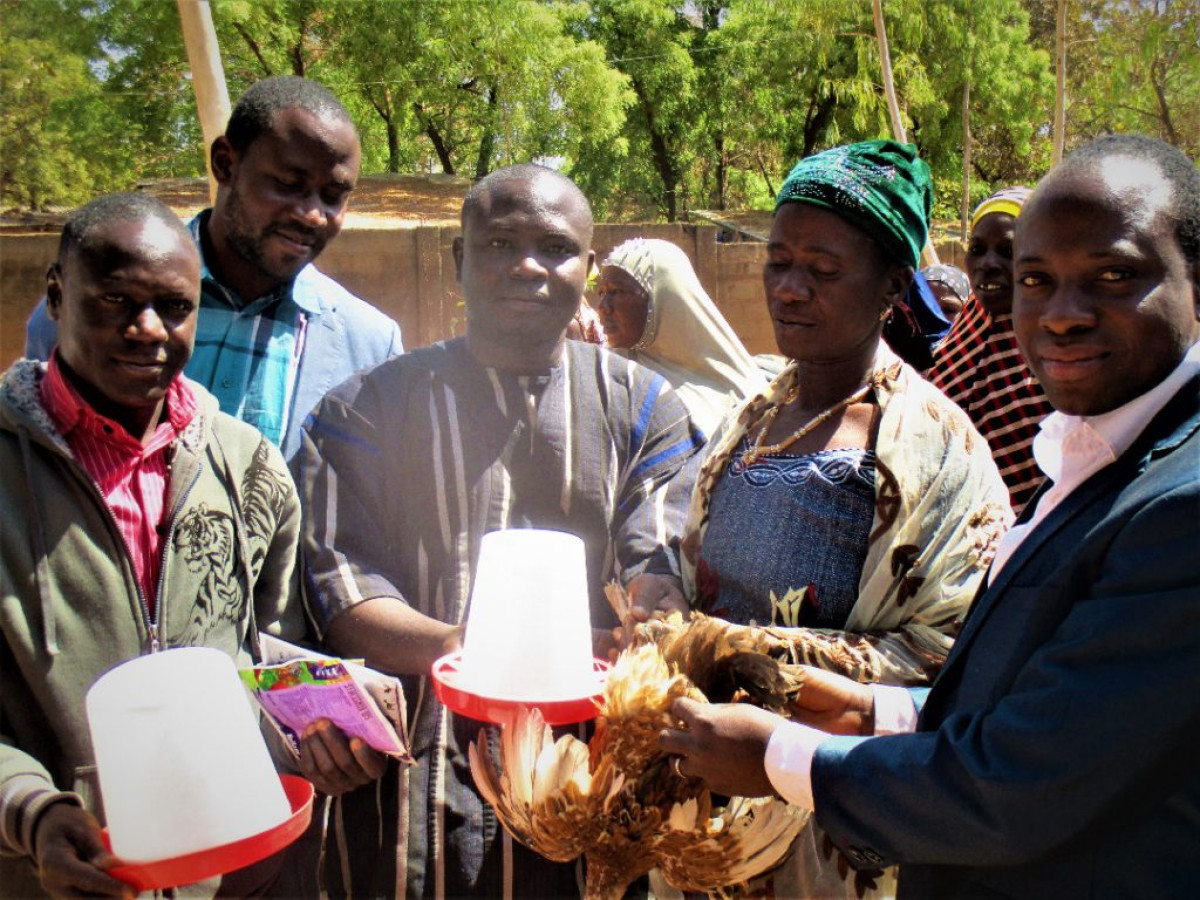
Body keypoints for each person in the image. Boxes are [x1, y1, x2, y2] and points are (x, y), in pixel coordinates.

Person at [661, 134, 1200, 899]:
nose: (1064, 314)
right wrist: (858, 706)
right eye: (1035, 281)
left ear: (891, 286)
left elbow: (1017, 767)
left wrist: (776, 730)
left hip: (851, 825)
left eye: (1113, 276)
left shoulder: (1169, 500)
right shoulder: (1090, 455)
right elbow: (1007, 690)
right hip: (740, 790)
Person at [296, 164, 704, 898]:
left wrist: (645, 625)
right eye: (499, 243)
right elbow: (341, 584)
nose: (526, 265)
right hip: (409, 789)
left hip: (587, 783)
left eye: (554, 247)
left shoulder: (646, 410)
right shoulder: (366, 409)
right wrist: (476, 656)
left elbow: (658, 559)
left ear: (588, 266)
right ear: (458, 259)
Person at [0, 194, 382, 900]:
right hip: (58, 876)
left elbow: (261, 651)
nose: (148, 330)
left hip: (239, 874)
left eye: (175, 308)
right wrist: (30, 810)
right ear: (56, 296)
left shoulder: (251, 469)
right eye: (116, 300)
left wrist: (316, 733)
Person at [676, 141, 1012, 899]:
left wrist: (740, 653)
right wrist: (659, 611)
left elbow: (949, 656)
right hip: (704, 795)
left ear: (894, 285)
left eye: (823, 271)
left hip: (825, 812)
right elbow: (692, 564)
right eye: (778, 263)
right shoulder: (752, 417)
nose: (790, 289)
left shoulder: (937, 449)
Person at [24, 76, 403, 461]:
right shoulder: (81, 310)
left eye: (333, 197)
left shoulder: (371, 344)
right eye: (289, 184)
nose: (312, 216)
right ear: (225, 163)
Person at [928, 186, 1053, 513]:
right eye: (978, 249)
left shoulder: (1060, 350)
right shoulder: (957, 342)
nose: (987, 263)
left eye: (1008, 250)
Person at [594, 237, 765, 437]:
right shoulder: (609, 380)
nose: (602, 307)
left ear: (662, 298)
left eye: (616, 291)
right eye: (601, 293)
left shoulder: (742, 390)